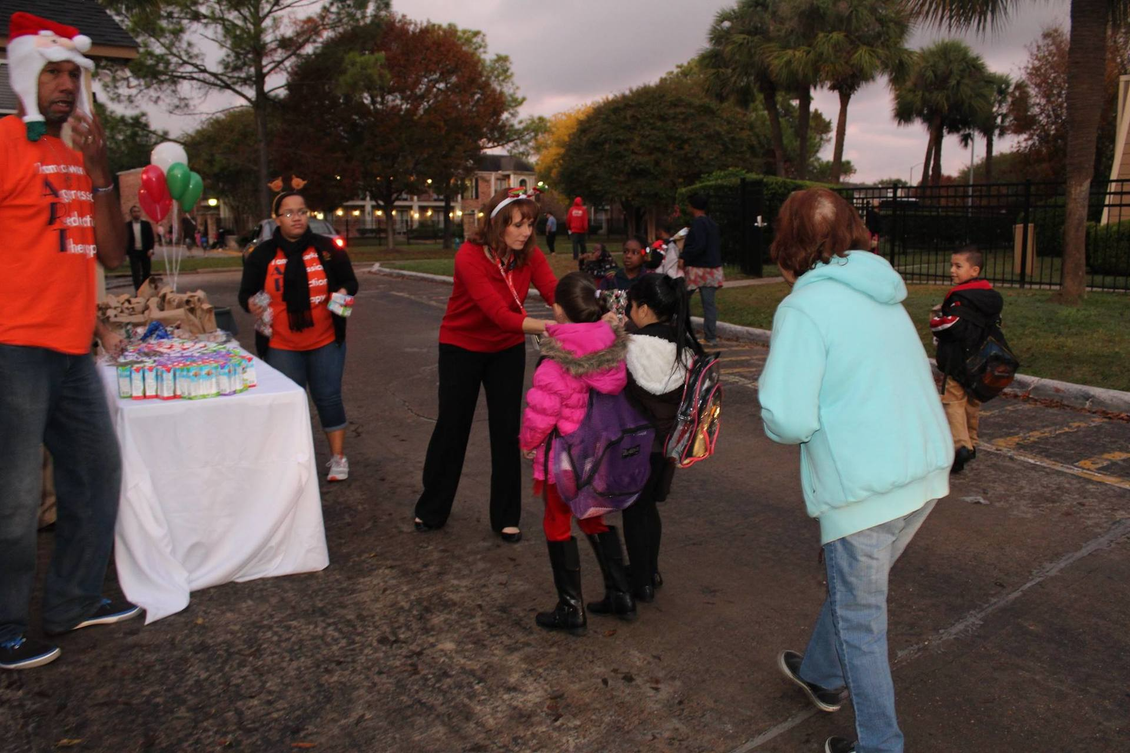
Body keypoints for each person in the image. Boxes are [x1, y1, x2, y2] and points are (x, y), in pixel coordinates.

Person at [758, 188, 953, 753]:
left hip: (866, 485)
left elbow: (788, 418)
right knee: (855, 591)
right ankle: (821, 673)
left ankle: (880, 745)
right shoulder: (883, 292)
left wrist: (787, 420)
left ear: (789, 245)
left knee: (862, 618)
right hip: (920, 472)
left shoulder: (803, 308)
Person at [0, 11, 142, 672]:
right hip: (13, 346)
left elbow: (110, 248)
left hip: (71, 348)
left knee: (96, 471)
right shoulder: (5, 140)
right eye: (52, 72)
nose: (64, 85)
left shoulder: (78, 155)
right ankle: (4, 626)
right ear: (27, 75)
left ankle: (73, 600)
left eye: (72, 75)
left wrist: (102, 166)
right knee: (15, 495)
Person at [413, 188, 559, 541]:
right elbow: (498, 314)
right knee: (452, 427)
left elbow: (557, 293)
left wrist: (591, 317)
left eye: (530, 224)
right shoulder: (469, 256)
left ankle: (506, 516)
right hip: (461, 346)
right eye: (518, 224)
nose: (526, 232)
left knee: (508, 430)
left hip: (505, 349)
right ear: (498, 224)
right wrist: (552, 327)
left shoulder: (530, 255)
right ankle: (431, 508)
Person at [519, 272, 633, 634]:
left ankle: (571, 607)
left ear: (556, 310)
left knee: (556, 520)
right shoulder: (610, 352)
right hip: (597, 455)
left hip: (563, 458)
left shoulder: (557, 360)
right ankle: (620, 592)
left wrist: (527, 444)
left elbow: (541, 415)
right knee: (591, 517)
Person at [239, 189, 359, 482]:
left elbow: (350, 281)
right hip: (281, 344)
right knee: (289, 403)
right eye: (289, 213)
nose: (297, 217)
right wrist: (252, 304)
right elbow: (246, 293)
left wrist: (342, 292)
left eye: (302, 211)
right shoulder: (263, 254)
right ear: (276, 218)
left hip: (326, 340)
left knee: (328, 397)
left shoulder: (327, 248)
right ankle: (292, 460)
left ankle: (338, 459)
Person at [621, 273, 698, 603]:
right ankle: (650, 570)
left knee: (634, 512)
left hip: (633, 448)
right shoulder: (686, 350)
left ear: (641, 308)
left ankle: (640, 582)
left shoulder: (630, 348)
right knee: (649, 508)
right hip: (667, 447)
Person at [930, 246, 1002, 475]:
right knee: (972, 401)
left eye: (958, 266)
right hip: (980, 359)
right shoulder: (989, 296)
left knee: (953, 400)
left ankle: (960, 445)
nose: (952, 270)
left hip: (958, 358)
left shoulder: (960, 296)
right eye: (952, 265)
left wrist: (936, 322)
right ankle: (972, 441)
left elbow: (952, 324)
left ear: (974, 270)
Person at [679, 193, 724, 346]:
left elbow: (698, 245)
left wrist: (684, 256)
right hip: (712, 269)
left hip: (697, 269)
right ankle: (711, 336)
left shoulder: (697, 224)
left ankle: (682, 331)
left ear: (692, 206)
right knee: (709, 304)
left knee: (683, 299)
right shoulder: (712, 224)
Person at [125, 204, 156, 293]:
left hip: (145, 252)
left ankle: (145, 290)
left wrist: (151, 249)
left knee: (146, 272)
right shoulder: (127, 226)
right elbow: (125, 239)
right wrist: (127, 251)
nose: (136, 213)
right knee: (136, 273)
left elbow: (151, 238)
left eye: (138, 211)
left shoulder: (146, 224)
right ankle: (138, 291)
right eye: (134, 212)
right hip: (134, 252)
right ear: (131, 214)